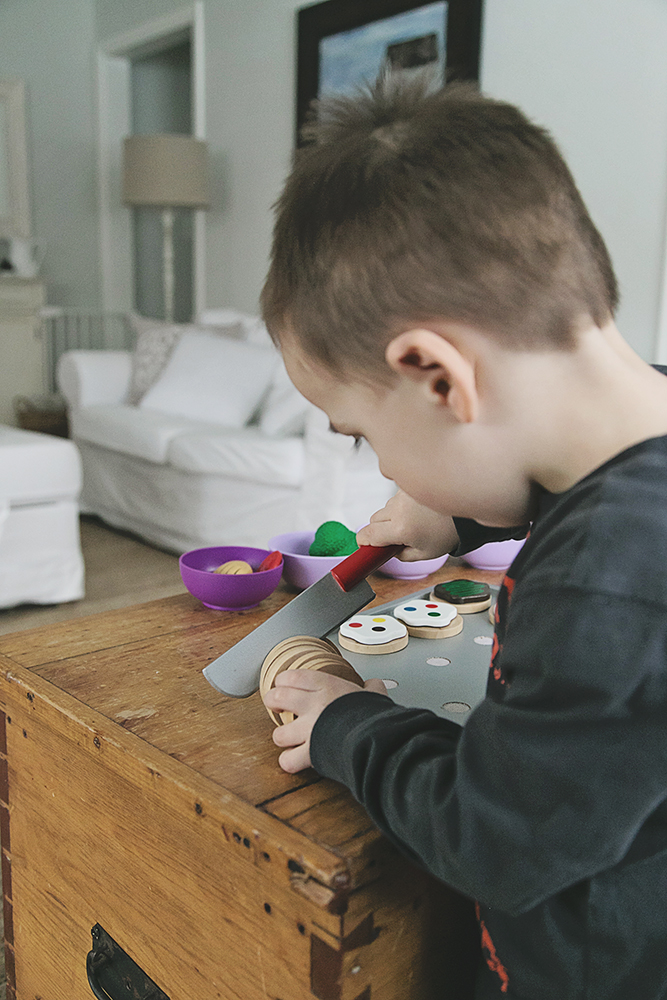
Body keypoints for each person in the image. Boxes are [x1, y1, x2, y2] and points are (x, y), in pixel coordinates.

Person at [260, 76, 667, 1000]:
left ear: (438, 379)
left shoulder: (602, 581)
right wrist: (460, 513)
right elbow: (587, 479)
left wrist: (343, 723)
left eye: (362, 434)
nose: (381, 467)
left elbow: (495, 837)